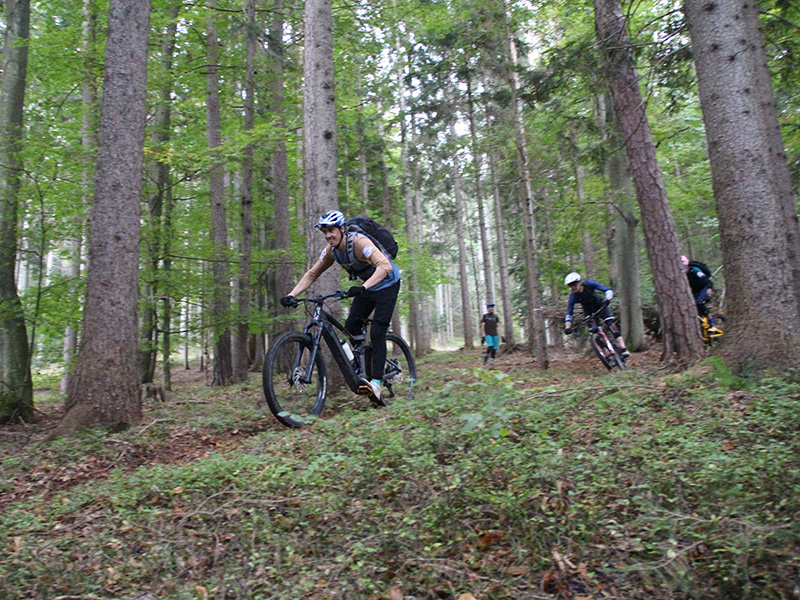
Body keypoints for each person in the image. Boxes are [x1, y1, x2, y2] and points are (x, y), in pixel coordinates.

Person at [280, 210, 401, 402]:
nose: (328, 235)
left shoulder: (360, 243)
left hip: (387, 283)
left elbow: (385, 266)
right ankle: (363, 366)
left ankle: (377, 383)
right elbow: (312, 274)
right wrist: (291, 295)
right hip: (367, 287)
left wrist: (363, 287)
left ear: (342, 229)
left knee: (378, 332)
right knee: (351, 326)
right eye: (325, 232)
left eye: (332, 230)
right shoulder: (332, 251)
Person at [563, 272, 629, 358]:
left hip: (601, 306)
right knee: (593, 331)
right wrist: (567, 328)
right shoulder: (573, 297)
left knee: (612, 325)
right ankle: (604, 352)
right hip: (589, 312)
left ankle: (623, 348)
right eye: (570, 286)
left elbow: (607, 290)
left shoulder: (589, 284)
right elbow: (569, 314)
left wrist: (608, 299)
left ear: (580, 282)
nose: (573, 287)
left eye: (574, 284)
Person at [681, 255, 719, 331]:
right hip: (695, 291)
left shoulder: (695, 270)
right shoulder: (681, 275)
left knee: (700, 302)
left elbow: (707, 281)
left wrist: (708, 293)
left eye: (684, 267)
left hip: (704, 287)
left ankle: (712, 325)